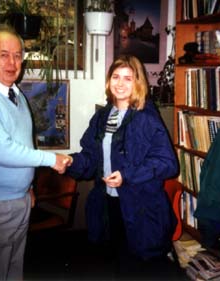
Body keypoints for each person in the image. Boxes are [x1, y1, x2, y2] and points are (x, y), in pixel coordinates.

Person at [0, 24, 71, 281]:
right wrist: (51, 160)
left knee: (13, 273)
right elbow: (1, 151)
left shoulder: (16, 94)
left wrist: (28, 186)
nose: (12, 62)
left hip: (19, 201)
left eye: (18, 55)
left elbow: (25, 143)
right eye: (4, 54)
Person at [67, 55, 179, 278]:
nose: (120, 83)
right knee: (115, 264)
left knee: (137, 267)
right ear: (108, 82)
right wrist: (71, 162)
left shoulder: (146, 118)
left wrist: (127, 175)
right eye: (115, 77)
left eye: (128, 78)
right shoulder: (102, 116)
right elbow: (91, 158)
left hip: (140, 205)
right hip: (109, 203)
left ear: (138, 83)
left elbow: (168, 163)